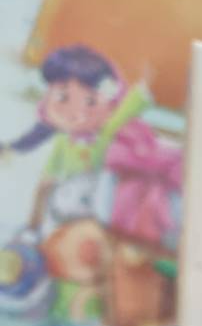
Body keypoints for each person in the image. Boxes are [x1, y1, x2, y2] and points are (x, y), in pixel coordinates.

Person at [3, 45, 149, 228]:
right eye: (63, 97)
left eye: (90, 101)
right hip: (64, 196)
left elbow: (130, 106)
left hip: (97, 196)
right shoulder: (62, 139)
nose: (76, 113)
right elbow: (50, 170)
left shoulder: (105, 134)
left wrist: (144, 85)